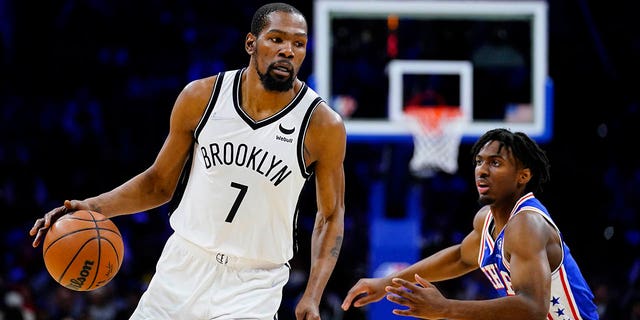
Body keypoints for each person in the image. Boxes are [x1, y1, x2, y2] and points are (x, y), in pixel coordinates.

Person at [30, 3, 346, 319]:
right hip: (182, 267)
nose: (287, 51)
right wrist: (91, 207)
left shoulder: (322, 126)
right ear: (251, 43)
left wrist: (312, 295)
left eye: (298, 43)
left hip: (254, 284)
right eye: (276, 39)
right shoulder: (202, 97)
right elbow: (158, 183)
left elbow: (330, 216)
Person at [341, 128, 599, 319]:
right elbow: (460, 258)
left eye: (495, 163)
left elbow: (532, 308)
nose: (482, 170)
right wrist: (385, 283)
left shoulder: (526, 225)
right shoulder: (487, 219)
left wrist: (445, 308)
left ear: (523, 176)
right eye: (479, 161)